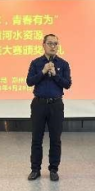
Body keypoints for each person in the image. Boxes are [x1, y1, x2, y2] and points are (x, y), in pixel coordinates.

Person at [26, 34, 72, 181]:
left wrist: (55, 75)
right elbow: (29, 81)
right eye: (50, 43)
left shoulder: (63, 64)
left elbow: (67, 84)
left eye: (55, 44)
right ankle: (35, 169)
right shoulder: (36, 63)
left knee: (55, 139)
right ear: (43, 45)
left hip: (56, 105)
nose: (53, 46)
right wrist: (43, 72)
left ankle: (53, 169)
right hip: (39, 104)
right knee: (36, 138)